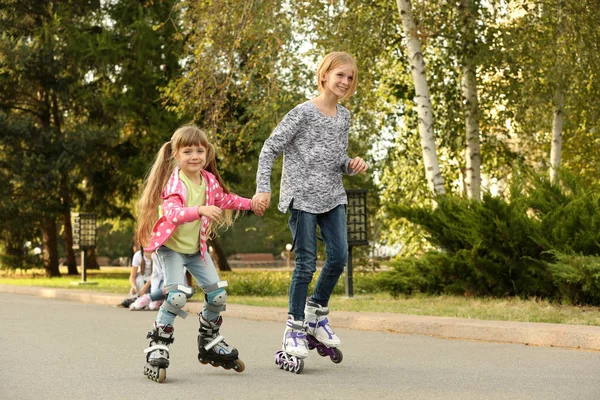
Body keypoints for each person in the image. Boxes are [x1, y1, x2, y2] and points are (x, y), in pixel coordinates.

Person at [252, 51, 368, 370]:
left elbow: (336, 158)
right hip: (301, 197)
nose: (345, 82)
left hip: (333, 195)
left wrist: (351, 164)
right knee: (305, 263)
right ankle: (293, 328)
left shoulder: (343, 117)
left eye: (350, 77)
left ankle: (316, 313)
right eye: (339, 75)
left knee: (339, 256)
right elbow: (270, 148)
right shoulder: (302, 112)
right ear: (324, 76)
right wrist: (264, 187)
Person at [137, 124, 265, 383]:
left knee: (217, 296)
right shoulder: (174, 182)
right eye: (187, 151)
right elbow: (172, 213)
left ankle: (209, 340)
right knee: (176, 297)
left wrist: (251, 203)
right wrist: (201, 210)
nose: (195, 156)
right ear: (175, 155)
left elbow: (226, 200)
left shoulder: (208, 180)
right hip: (172, 249)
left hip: (196, 250)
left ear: (207, 152)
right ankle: (158, 344)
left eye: (200, 150)